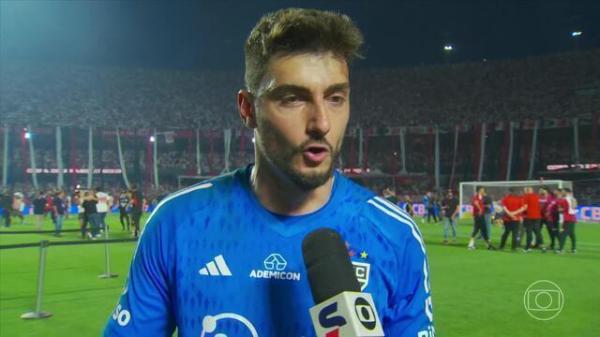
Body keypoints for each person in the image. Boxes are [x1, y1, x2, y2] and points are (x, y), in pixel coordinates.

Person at [104, 8, 433, 337]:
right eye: (293, 98)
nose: (322, 123)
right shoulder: (177, 222)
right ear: (248, 109)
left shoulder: (395, 235)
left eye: (335, 97)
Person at [522, 186, 544, 252]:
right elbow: (539, 206)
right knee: (537, 231)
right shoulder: (536, 196)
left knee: (529, 232)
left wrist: (520, 212)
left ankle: (528, 247)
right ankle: (542, 246)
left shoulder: (526, 197)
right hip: (538, 217)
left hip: (530, 217)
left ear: (528, 191)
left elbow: (525, 207)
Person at [557, 188, 577, 254]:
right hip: (573, 218)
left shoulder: (564, 200)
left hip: (568, 219)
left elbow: (560, 209)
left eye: (563, 192)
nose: (562, 193)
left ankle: (561, 249)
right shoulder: (573, 199)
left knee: (563, 234)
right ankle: (574, 249)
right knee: (572, 234)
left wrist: (560, 208)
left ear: (566, 192)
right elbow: (574, 207)